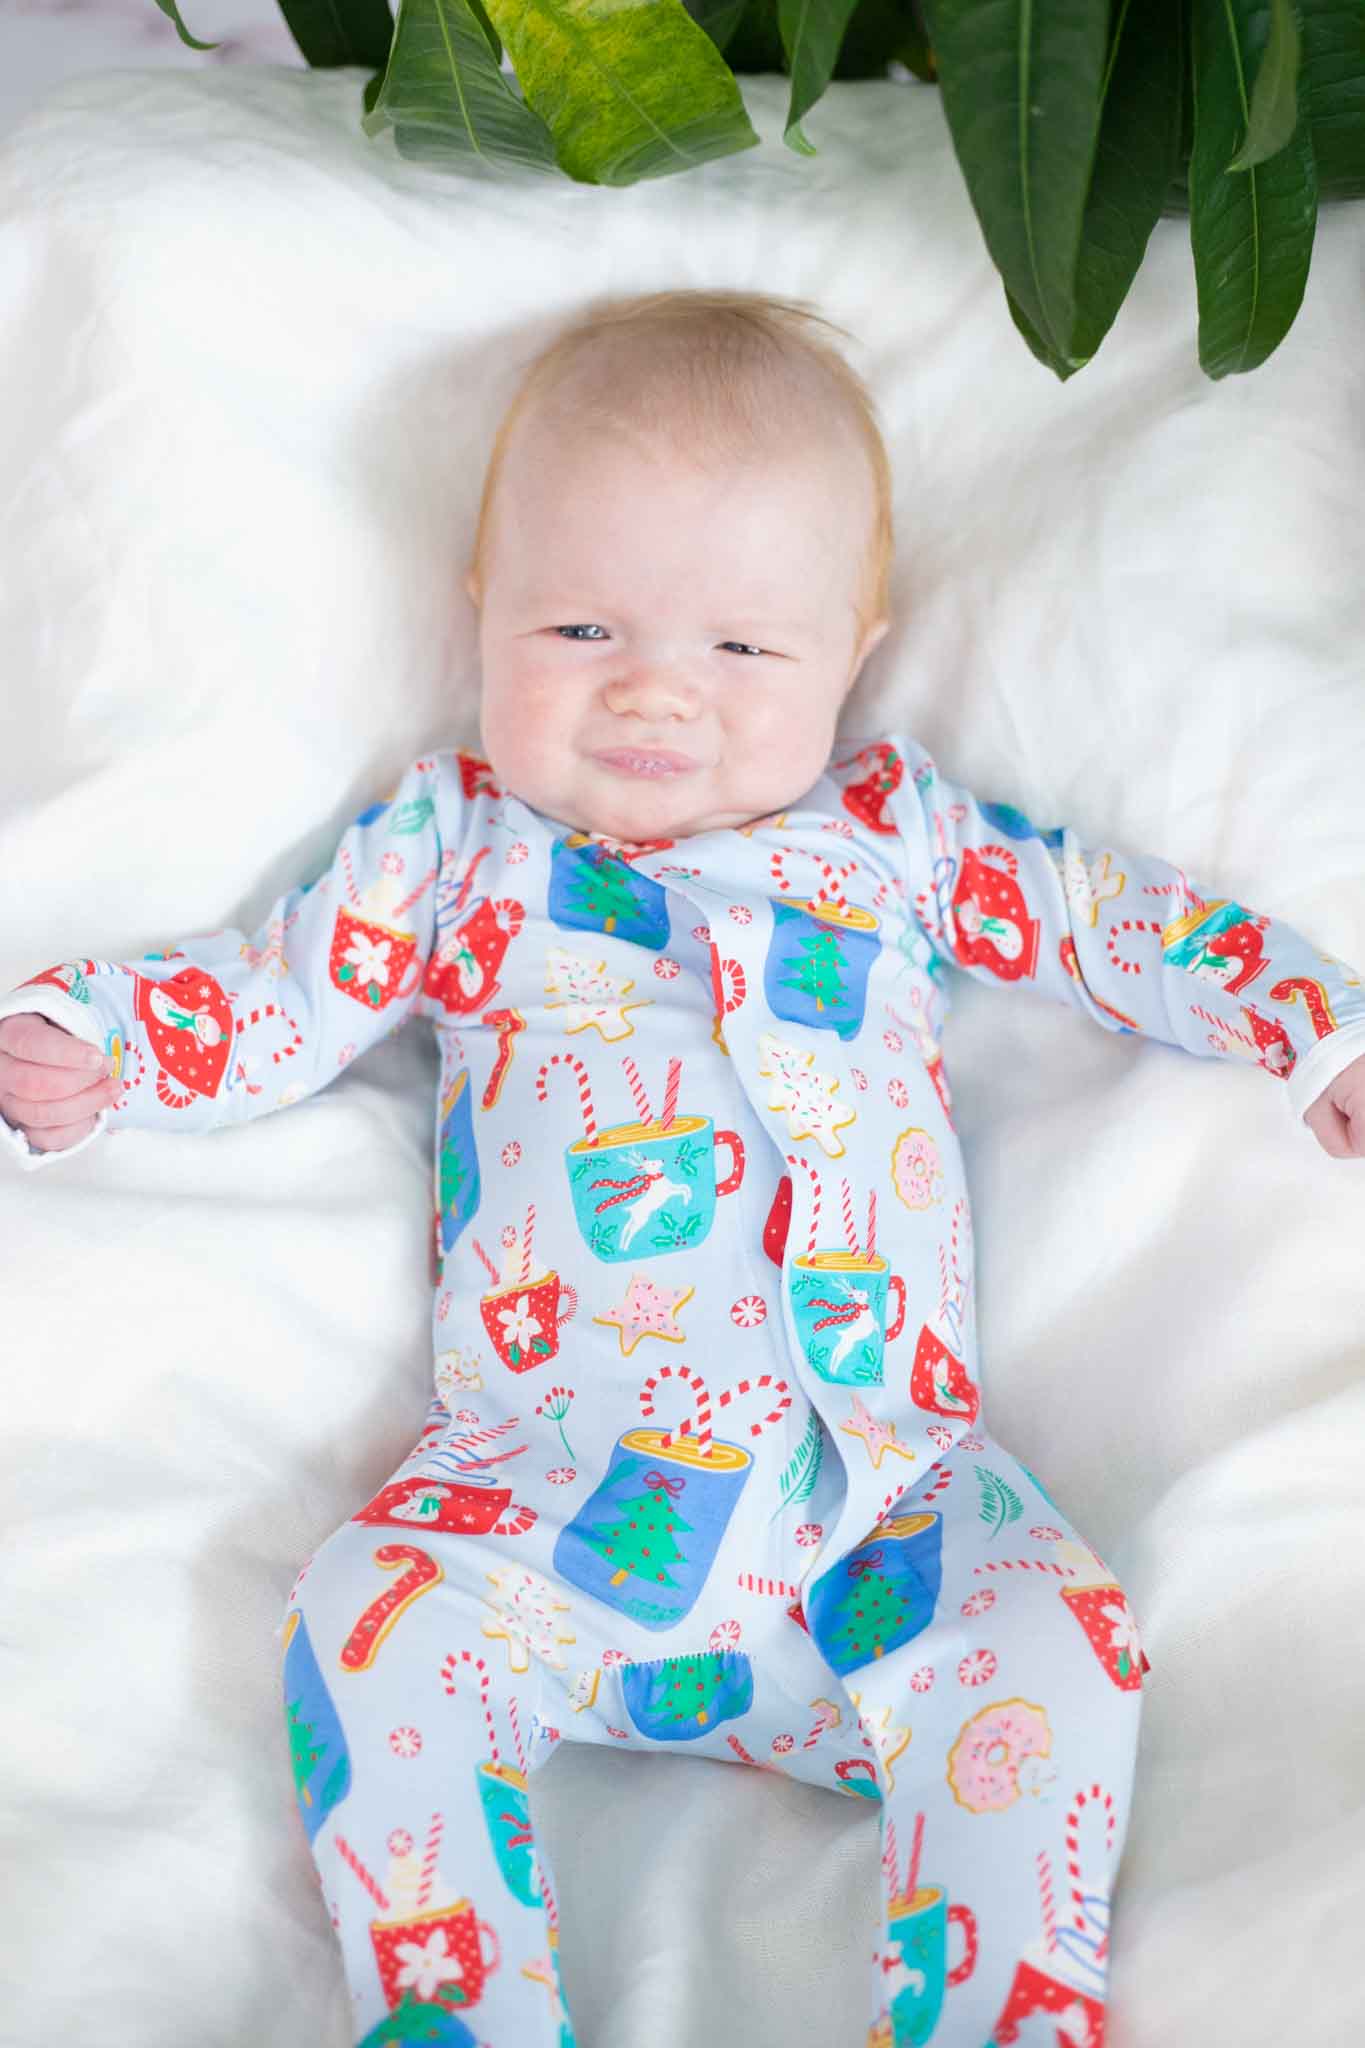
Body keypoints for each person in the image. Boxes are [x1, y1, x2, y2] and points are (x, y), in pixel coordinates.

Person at [1, 288, 1362, 2048]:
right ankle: (462, 2015)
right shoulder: (458, 846)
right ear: (479, 606)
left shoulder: (891, 840)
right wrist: (110, 1046)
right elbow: (282, 994)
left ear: (852, 651)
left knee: (1056, 1636)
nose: (654, 688)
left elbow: (1118, 926)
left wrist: (1309, 1024)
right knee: (362, 1622)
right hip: (545, 1508)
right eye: (579, 626)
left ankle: (994, 2015)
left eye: (741, 649)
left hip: (885, 1508)